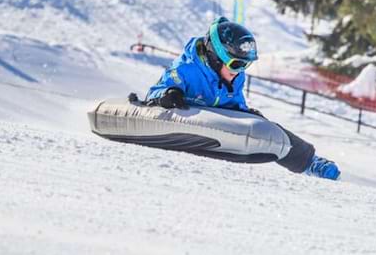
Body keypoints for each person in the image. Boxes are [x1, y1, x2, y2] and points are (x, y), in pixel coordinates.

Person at [146, 16, 341, 180]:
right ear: (215, 57)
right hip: (184, 119)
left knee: (269, 127)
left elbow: (234, 105)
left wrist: (248, 115)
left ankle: (310, 162)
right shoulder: (186, 69)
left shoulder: (235, 76)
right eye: (236, 64)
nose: (239, 71)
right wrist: (168, 95)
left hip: (216, 123)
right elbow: (155, 92)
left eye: (245, 65)